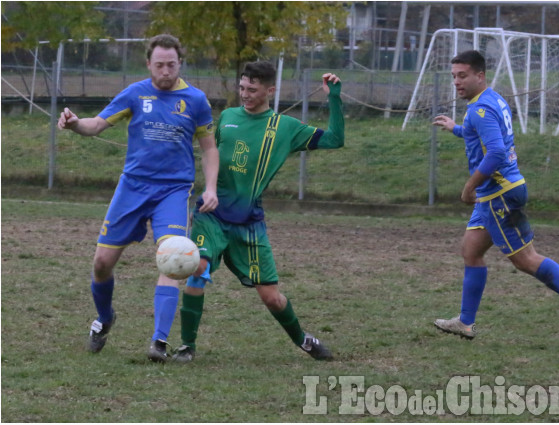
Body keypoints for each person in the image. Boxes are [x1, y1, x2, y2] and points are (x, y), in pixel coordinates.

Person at [57, 34, 219, 362]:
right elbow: (97, 125)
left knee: (173, 260)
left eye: (171, 65)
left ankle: (158, 342)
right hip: (132, 188)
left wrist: (211, 187)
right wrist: (75, 125)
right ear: (148, 64)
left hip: (173, 191)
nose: (165, 71)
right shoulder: (135, 93)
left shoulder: (196, 100)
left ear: (180, 64)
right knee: (102, 264)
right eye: (159, 65)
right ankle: (104, 318)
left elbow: (209, 148)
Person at [172, 61, 344, 362]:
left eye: (252, 89)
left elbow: (335, 139)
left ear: (270, 90)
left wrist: (334, 97)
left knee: (271, 297)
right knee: (197, 270)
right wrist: (208, 190)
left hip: (249, 223)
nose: (245, 94)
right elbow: (211, 154)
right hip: (211, 214)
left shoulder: (285, 128)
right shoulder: (227, 117)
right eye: (242, 88)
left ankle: (303, 340)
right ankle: (187, 346)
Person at [432, 50, 559, 341]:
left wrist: (468, 187)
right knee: (471, 251)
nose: (456, 82)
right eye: (454, 77)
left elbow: (496, 152)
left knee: (526, 260)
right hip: (498, 192)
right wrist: (456, 129)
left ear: (479, 75)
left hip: (499, 194)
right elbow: (483, 135)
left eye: (462, 76)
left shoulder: (480, 109)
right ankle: (465, 322)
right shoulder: (492, 99)